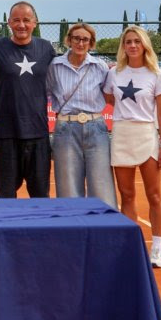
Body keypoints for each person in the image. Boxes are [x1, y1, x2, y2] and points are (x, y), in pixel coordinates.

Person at [103, 25, 161, 268]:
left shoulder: (156, 75)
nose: (132, 45)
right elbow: (109, 98)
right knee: (127, 195)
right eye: (128, 42)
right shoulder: (114, 73)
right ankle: (131, 247)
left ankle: (158, 248)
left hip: (146, 135)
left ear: (144, 46)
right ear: (123, 46)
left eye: (136, 42)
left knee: (154, 194)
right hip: (121, 134)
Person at [0, 1, 56, 198]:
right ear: (9, 22)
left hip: (38, 134)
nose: (21, 25)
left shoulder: (46, 49)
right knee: (6, 195)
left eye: (26, 20)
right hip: (6, 134)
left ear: (35, 22)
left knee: (41, 195)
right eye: (16, 20)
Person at [47, 22, 117, 208]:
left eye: (85, 39)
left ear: (91, 43)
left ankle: (104, 232)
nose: (80, 43)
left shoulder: (100, 66)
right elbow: (45, 93)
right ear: (69, 40)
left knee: (102, 185)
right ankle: (73, 232)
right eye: (76, 38)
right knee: (68, 187)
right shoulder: (54, 66)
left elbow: (110, 94)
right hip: (66, 129)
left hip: (96, 128)